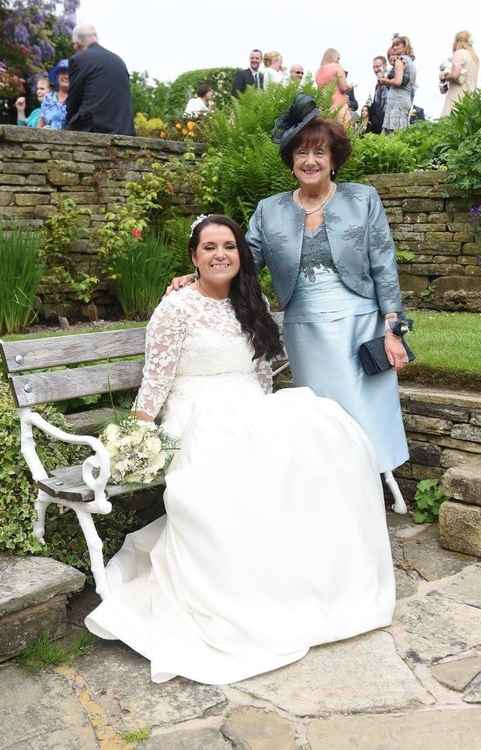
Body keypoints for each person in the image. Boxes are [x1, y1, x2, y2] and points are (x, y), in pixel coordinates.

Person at [84, 213, 395, 685]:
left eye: (228, 246)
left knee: (321, 434)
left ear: (239, 254)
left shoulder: (251, 301)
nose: (219, 254)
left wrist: (268, 418)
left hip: (250, 406)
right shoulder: (175, 307)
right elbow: (156, 381)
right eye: (208, 247)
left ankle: (307, 585)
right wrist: (136, 437)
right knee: (235, 466)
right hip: (197, 412)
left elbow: (262, 376)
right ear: (193, 257)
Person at [169, 95, 410, 509]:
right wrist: (195, 276)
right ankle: (333, 498)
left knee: (366, 413)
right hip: (306, 328)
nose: (310, 160)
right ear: (291, 161)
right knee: (322, 418)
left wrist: (393, 329)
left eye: (319, 151)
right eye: (302, 152)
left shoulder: (362, 199)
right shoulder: (270, 211)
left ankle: (370, 496)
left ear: (334, 158)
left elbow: (384, 264)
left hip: (361, 322)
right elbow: (242, 260)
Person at [65, 23, 134, 135]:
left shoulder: (79, 59)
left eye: (73, 45)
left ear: (77, 44)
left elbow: (73, 101)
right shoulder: (118, 60)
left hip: (94, 128)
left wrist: (66, 128)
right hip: (123, 129)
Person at [379, 36, 417, 133]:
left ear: (405, 46)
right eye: (393, 45)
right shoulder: (410, 61)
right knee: (400, 131)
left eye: (397, 45)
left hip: (397, 100)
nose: (394, 47)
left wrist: (383, 80)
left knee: (393, 133)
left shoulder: (400, 60)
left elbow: (397, 81)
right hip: (405, 99)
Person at [440, 31, 479, 117]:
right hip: (470, 98)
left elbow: (455, 75)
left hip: (456, 97)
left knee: (447, 124)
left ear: (457, 41)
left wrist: (443, 76)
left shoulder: (459, 53)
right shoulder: (475, 58)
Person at [315, 48, 351, 127]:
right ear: (333, 57)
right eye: (338, 58)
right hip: (339, 108)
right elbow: (343, 88)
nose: (339, 61)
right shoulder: (337, 67)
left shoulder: (318, 72)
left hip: (325, 109)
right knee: (343, 135)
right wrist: (349, 86)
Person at [39, 60, 69, 129]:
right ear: (57, 76)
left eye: (70, 73)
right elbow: (40, 126)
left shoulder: (77, 99)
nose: (66, 76)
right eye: (63, 73)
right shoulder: (48, 98)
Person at [368, 56, 388, 134]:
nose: (375, 70)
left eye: (378, 66)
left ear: (385, 66)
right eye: (374, 67)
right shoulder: (377, 85)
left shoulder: (391, 79)